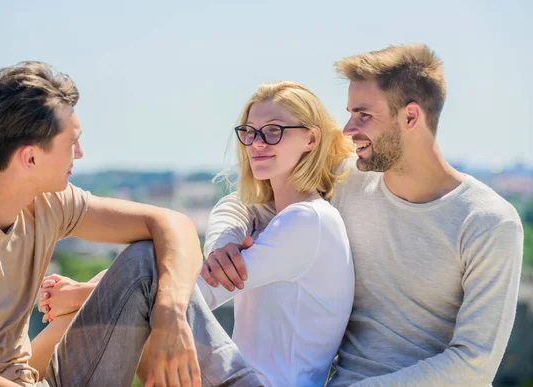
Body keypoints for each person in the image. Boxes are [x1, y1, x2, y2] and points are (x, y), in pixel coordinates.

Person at [200, 44, 524, 386]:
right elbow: (248, 199)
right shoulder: (348, 181)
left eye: (363, 115)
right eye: (349, 113)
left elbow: (474, 363)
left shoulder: (488, 221)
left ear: (411, 117)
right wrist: (225, 242)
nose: (347, 129)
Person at [0, 61, 261, 387]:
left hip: (28, 375)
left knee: (147, 263)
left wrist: (169, 315)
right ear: (30, 158)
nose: (80, 152)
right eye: (71, 142)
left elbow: (172, 224)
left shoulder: (47, 202)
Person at [38, 81, 356, 386]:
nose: (257, 143)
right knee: (151, 266)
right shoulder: (274, 217)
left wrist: (83, 294)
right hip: (241, 376)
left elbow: (200, 289)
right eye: (249, 132)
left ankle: (19, 376)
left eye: (273, 131)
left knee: (149, 267)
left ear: (311, 139)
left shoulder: (309, 221)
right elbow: (233, 208)